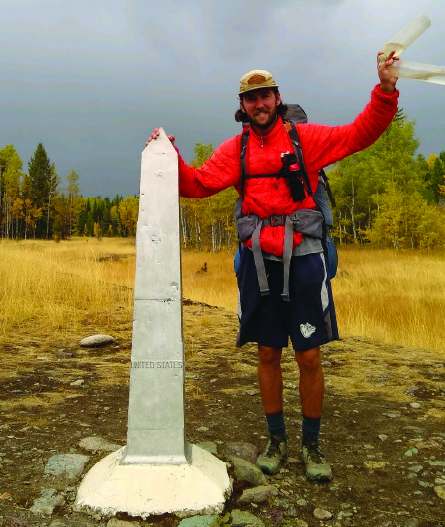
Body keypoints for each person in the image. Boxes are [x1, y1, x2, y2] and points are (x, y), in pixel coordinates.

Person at [147, 51, 399, 481]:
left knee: (309, 355)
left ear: (277, 98)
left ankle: (312, 445)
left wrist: (386, 89)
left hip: (304, 261)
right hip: (257, 263)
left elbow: (360, 134)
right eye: (251, 99)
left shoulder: (306, 139)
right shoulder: (236, 149)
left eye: (265, 96)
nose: (259, 104)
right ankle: (277, 440)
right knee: (267, 352)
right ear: (242, 106)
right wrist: (168, 157)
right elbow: (199, 184)